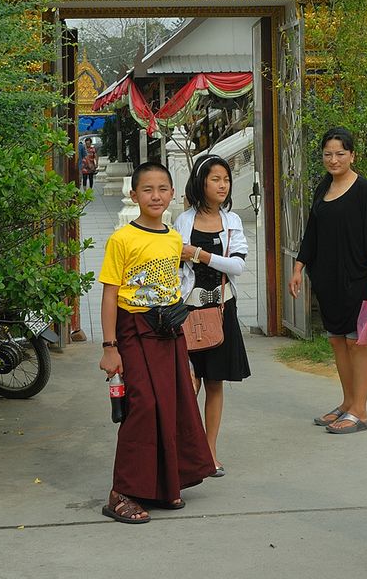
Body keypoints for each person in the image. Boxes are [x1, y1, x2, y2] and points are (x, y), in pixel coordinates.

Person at [98, 161, 215, 523]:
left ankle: (165, 487)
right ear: (134, 195)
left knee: (175, 402)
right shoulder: (122, 239)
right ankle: (121, 493)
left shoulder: (173, 239)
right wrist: (109, 346)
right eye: (147, 189)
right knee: (143, 406)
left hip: (169, 331)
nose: (155, 195)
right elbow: (109, 294)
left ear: (172, 195)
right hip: (133, 330)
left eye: (162, 189)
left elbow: (175, 286)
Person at [288, 126, 367, 434]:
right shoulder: (323, 188)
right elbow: (312, 233)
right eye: (328, 154)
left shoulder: (365, 190)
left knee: (356, 342)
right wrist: (298, 267)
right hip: (327, 278)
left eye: (340, 153)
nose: (334, 160)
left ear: (352, 155)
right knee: (336, 340)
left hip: (356, 277)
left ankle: (361, 411)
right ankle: (346, 403)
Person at [174, 154, 251, 477]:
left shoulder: (232, 221)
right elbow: (177, 262)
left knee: (215, 382)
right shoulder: (183, 221)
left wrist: (200, 254)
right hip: (190, 310)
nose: (222, 185)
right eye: (215, 179)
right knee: (189, 383)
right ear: (201, 182)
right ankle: (184, 452)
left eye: (226, 180)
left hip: (221, 307)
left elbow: (237, 265)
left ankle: (210, 452)